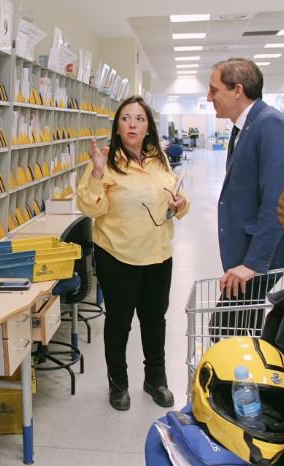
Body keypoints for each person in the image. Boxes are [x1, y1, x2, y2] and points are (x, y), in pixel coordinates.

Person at [76, 95, 190, 411]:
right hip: (119, 255)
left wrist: (181, 204)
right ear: (117, 126)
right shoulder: (105, 161)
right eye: (126, 118)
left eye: (139, 119)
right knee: (119, 323)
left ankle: (156, 380)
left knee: (155, 321)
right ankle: (118, 385)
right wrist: (97, 173)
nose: (132, 124)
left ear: (148, 127)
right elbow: (89, 208)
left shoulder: (159, 159)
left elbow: (176, 193)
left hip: (158, 254)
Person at [206, 58, 284, 337]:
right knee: (236, 332)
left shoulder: (270, 125)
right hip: (247, 253)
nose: (209, 97)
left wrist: (253, 264)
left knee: (226, 331)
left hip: (258, 258)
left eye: (214, 90)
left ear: (237, 90)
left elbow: (278, 200)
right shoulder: (245, 126)